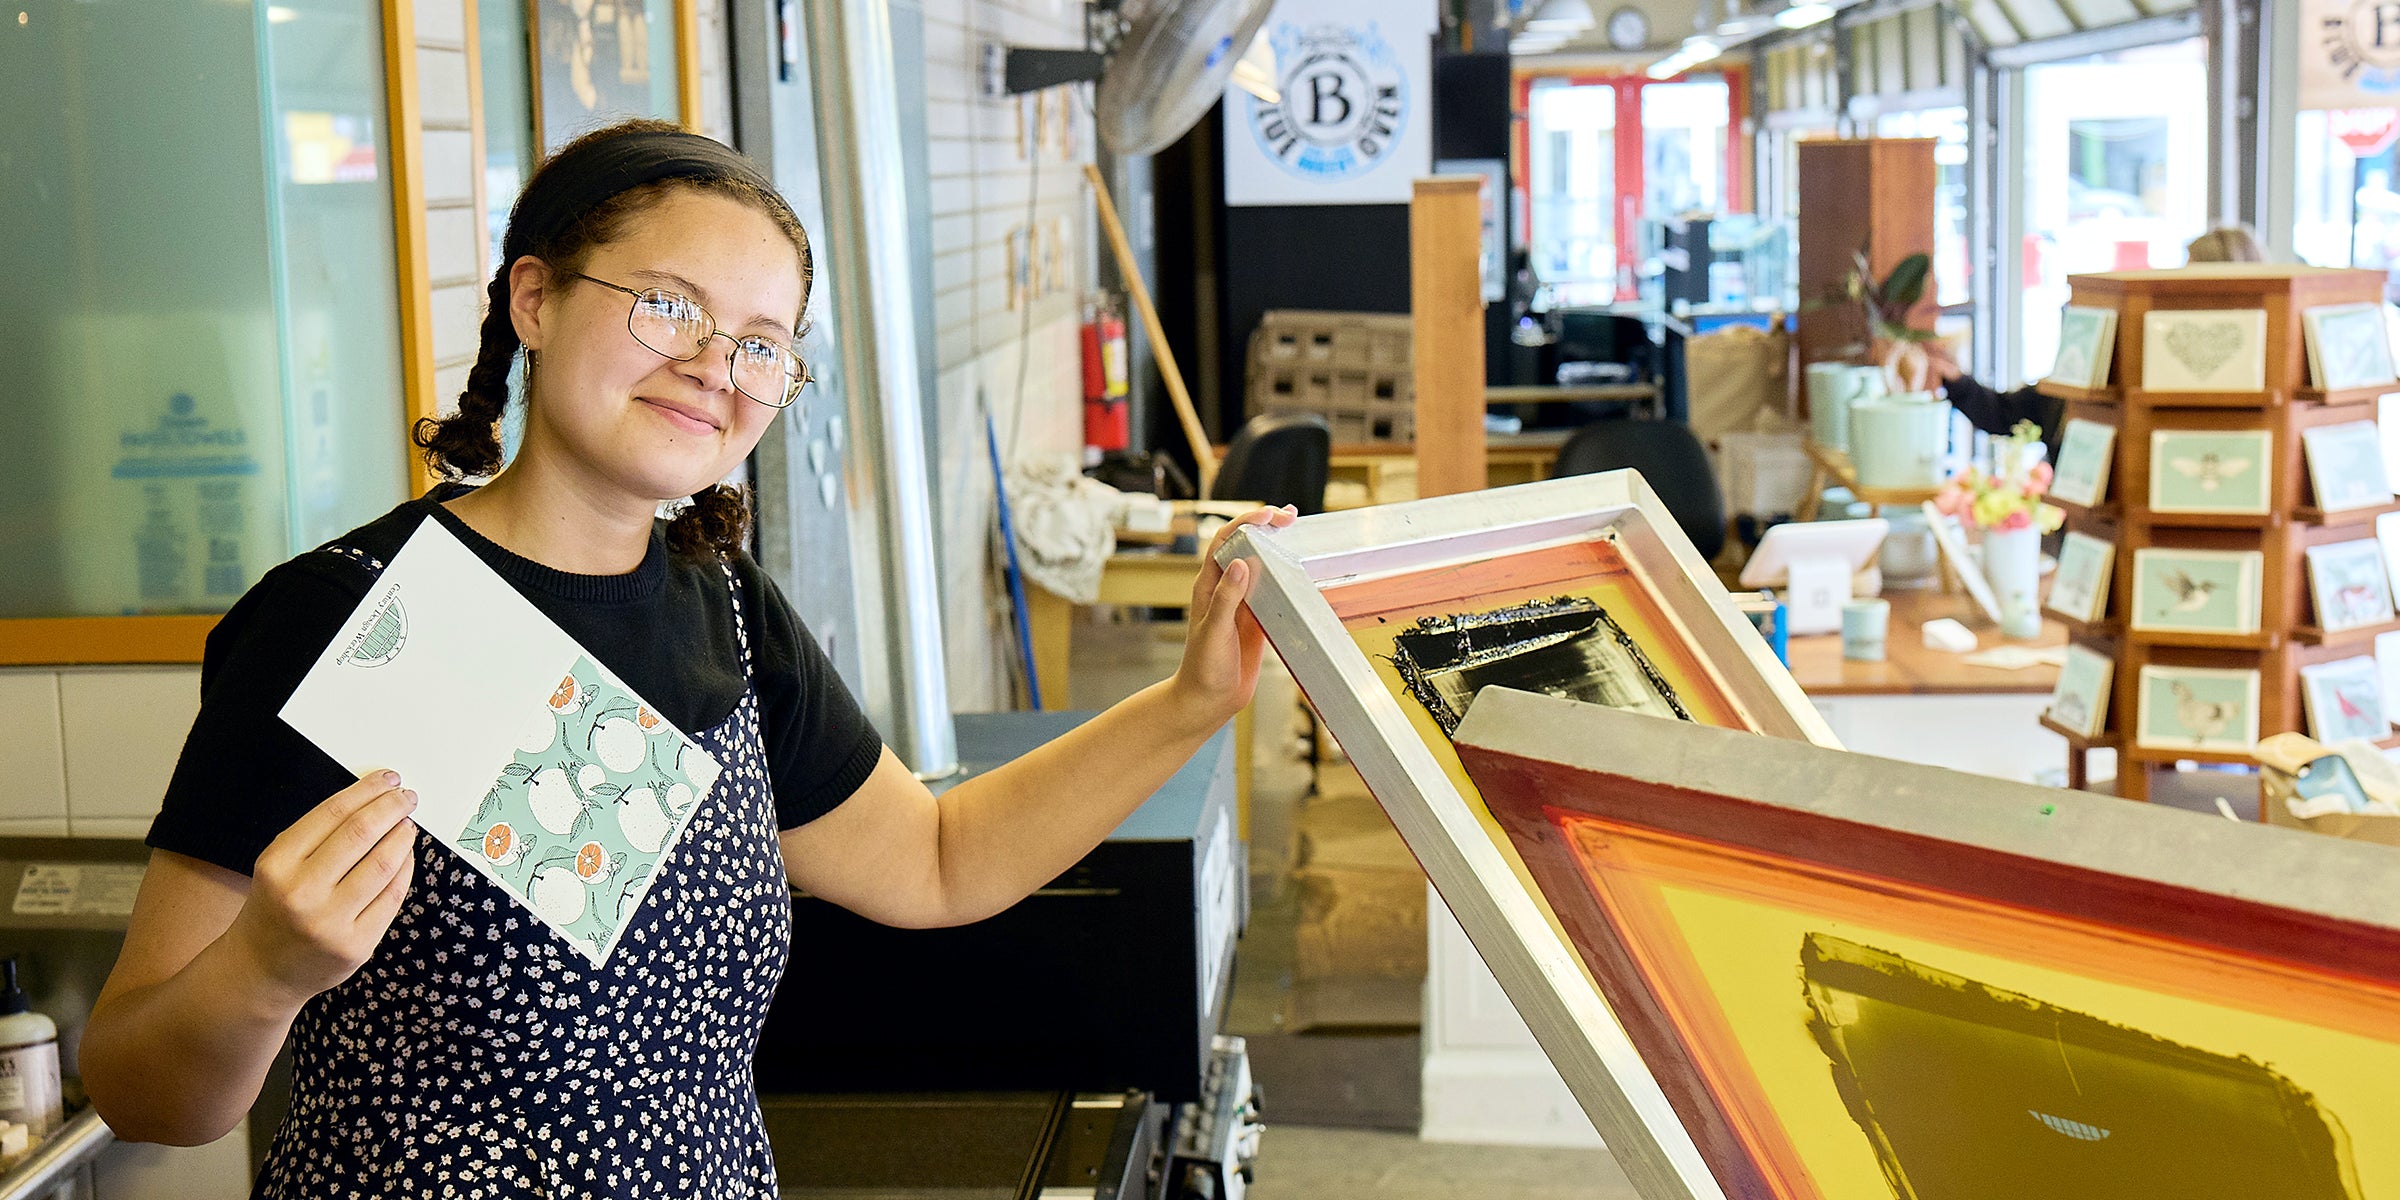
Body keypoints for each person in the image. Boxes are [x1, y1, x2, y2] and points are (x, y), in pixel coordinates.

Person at [77, 120, 1293, 1198]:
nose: (717, 364)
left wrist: (1191, 703)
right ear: (534, 299)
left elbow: (937, 860)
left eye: (764, 343)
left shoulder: (724, 608)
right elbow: (142, 1092)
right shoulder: (352, 621)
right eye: (669, 306)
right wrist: (265, 968)